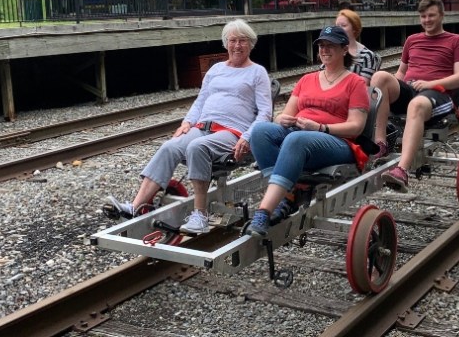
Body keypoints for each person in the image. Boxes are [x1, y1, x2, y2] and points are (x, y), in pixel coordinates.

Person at [103, 19, 273, 234]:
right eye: (233, 40)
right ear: (225, 43)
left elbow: (265, 112)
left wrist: (248, 137)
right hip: (202, 126)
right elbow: (200, 102)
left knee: (197, 147)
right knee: (170, 147)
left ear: (251, 44)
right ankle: (135, 207)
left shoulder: (257, 72)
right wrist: (187, 122)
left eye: (242, 41)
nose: (237, 46)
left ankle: (200, 216)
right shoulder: (216, 70)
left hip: (232, 132)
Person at [244, 26, 370, 237]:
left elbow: (356, 126)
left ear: (344, 49)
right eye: (321, 45)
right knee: (260, 131)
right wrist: (281, 118)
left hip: (336, 141)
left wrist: (321, 127)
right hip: (301, 135)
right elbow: (284, 115)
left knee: (296, 139)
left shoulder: (355, 83)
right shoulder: (306, 80)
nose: (324, 49)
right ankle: (288, 195)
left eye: (330, 45)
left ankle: (263, 213)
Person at [370, 0, 459, 192]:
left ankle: (402, 170)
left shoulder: (456, 41)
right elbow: (401, 72)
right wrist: (391, 87)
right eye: (423, 16)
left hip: (438, 94)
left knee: (415, 105)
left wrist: (431, 83)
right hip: (412, 89)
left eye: (431, 15)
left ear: (441, 15)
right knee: (380, 77)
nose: (427, 20)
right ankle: (380, 144)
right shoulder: (412, 40)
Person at [334, 9, 381, 84]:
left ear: (354, 29)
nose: (339, 29)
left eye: (343, 26)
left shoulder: (367, 56)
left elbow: (363, 84)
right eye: (337, 26)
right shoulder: (331, 51)